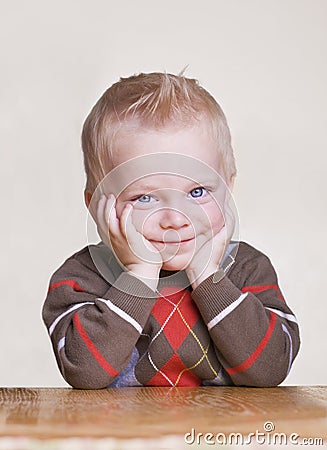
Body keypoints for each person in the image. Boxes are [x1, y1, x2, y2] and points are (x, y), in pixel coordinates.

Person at [42, 72, 300, 389]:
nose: (176, 219)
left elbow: (270, 370)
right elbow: (84, 372)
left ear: (227, 190)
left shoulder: (247, 269)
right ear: (97, 204)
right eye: (145, 197)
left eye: (197, 192)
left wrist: (209, 278)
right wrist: (139, 274)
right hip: (123, 439)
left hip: (221, 436)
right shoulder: (80, 278)